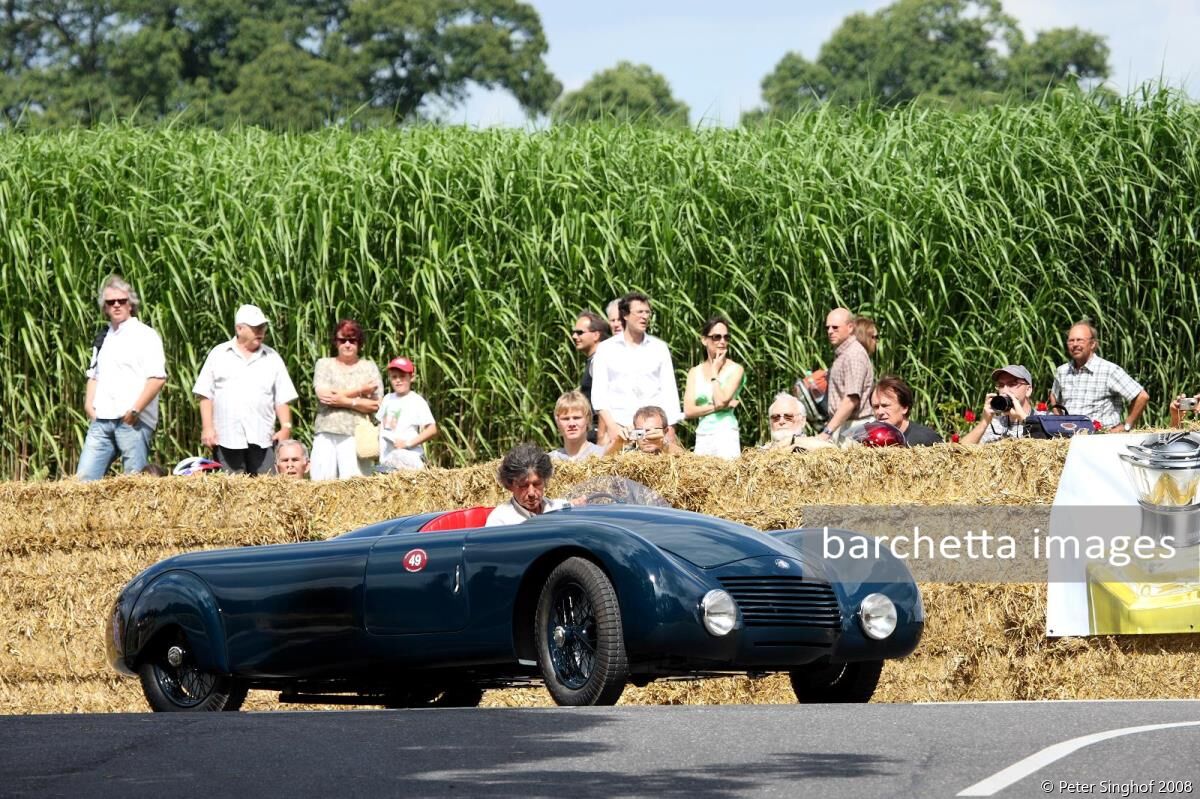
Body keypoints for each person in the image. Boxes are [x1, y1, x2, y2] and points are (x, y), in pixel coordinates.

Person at [77, 275, 168, 481]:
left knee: (133, 485)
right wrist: (89, 407)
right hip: (101, 421)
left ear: (131, 305)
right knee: (83, 482)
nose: (116, 305)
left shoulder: (145, 335)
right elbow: (94, 375)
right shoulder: (103, 337)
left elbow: (157, 378)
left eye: (122, 301)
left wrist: (135, 410)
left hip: (132, 422)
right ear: (105, 308)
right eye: (111, 302)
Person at [192, 304, 298, 475]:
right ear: (239, 329)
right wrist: (207, 427)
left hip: (263, 438)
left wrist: (286, 427)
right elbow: (205, 394)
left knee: (267, 493)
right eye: (255, 327)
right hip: (227, 437)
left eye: (262, 327)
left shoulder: (272, 358)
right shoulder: (219, 354)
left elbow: (282, 398)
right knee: (231, 493)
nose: (260, 331)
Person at [590, 291, 683, 439]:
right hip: (620, 428)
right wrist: (612, 428)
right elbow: (599, 396)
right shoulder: (606, 349)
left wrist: (670, 430)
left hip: (654, 432)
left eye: (647, 312)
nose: (645, 316)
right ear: (625, 315)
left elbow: (669, 392)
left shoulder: (659, 348)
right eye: (639, 312)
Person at [310, 319, 383, 480]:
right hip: (326, 432)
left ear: (360, 343)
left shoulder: (369, 367)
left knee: (355, 486)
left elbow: (376, 405)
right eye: (343, 340)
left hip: (356, 434)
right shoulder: (324, 364)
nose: (347, 344)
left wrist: (345, 401)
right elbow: (324, 396)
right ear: (336, 342)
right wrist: (360, 391)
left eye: (353, 340)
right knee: (321, 484)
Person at [1050, 321, 1150, 432]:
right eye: (1071, 341)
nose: (1075, 344)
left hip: (1100, 439)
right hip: (1068, 440)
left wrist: (1126, 426)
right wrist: (1060, 425)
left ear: (1092, 344)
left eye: (1080, 340)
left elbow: (1142, 396)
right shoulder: (1062, 371)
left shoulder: (1109, 370)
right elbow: (1054, 397)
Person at [682, 316, 744, 459]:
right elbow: (689, 411)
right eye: (716, 337)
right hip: (703, 434)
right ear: (704, 340)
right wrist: (720, 406)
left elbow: (721, 400)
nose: (722, 341)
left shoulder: (735, 369)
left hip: (726, 433)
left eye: (726, 337)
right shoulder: (694, 372)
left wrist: (715, 372)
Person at [818, 308, 874, 442]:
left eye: (835, 327)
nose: (830, 331)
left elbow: (851, 400)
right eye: (828, 327)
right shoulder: (844, 353)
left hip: (856, 427)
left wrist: (827, 432)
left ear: (850, 328)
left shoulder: (853, 355)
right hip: (845, 425)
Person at [485, 444, 570, 527]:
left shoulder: (561, 509)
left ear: (545, 481)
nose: (531, 493)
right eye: (523, 485)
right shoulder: (500, 520)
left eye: (537, 484)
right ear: (510, 485)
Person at [376, 356, 438, 470]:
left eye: (402, 376)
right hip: (387, 461)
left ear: (412, 377)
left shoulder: (416, 401)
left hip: (409, 458)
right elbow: (381, 426)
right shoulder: (387, 399)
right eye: (394, 377)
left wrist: (407, 443)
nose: (398, 380)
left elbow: (432, 429)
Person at [962, 365, 1040, 444]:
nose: (1005, 391)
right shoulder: (995, 423)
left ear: (1028, 390)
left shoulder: (1044, 420)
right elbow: (958, 453)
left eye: (1012, 384)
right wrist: (984, 421)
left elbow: (1049, 448)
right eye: (1001, 385)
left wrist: (1024, 419)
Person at [571, 310, 611, 443]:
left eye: (580, 332)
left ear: (596, 335)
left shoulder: (600, 360)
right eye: (574, 332)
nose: (574, 336)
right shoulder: (594, 360)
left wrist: (601, 437)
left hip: (600, 433)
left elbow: (606, 402)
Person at [869, 376, 942, 446]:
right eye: (876, 407)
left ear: (904, 408)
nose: (879, 412)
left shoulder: (927, 440)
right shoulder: (870, 441)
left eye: (885, 406)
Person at [605, 405, 686, 456]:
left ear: (665, 431)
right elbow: (602, 466)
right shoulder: (629, 455)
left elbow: (687, 459)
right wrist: (618, 443)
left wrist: (663, 444)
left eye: (652, 432)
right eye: (640, 433)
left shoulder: (671, 454)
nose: (646, 437)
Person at [550, 391, 606, 461]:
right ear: (557, 421)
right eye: (566, 419)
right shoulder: (550, 461)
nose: (571, 424)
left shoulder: (603, 457)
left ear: (587, 419)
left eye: (577, 418)